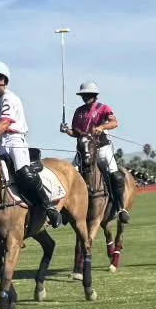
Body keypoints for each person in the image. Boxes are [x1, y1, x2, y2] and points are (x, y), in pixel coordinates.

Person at [0, 62, 60, 229]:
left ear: (3, 80)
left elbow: (5, 123)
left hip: (15, 142)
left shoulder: (9, 98)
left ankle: (49, 207)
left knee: (24, 173)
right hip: (0, 144)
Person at [59, 81, 129, 224]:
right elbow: (75, 133)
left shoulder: (103, 108)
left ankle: (120, 208)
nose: (86, 97)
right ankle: (65, 209)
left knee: (115, 174)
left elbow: (114, 122)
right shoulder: (78, 111)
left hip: (101, 148)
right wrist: (66, 130)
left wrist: (102, 127)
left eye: (89, 95)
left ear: (95, 95)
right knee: (70, 175)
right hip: (84, 150)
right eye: (84, 95)